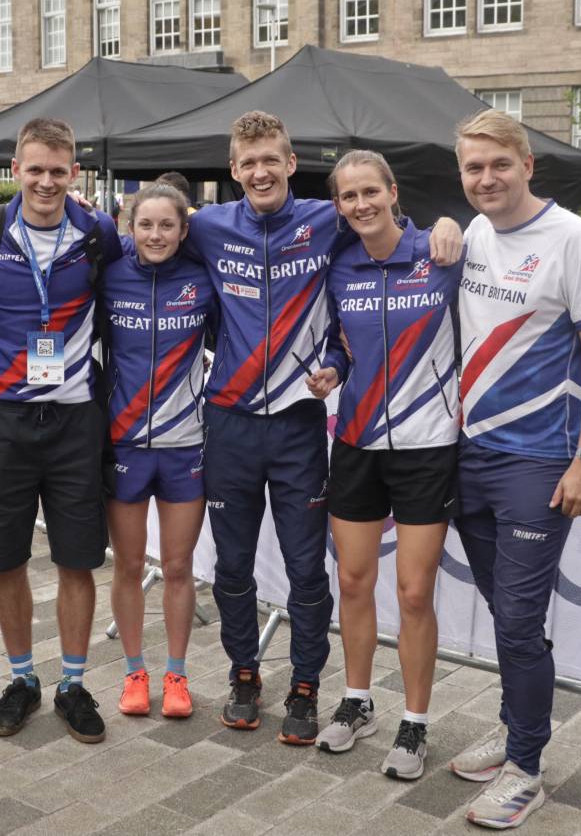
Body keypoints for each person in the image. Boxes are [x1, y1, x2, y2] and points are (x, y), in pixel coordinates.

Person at [186, 111, 462, 745]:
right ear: (234, 170)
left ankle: (307, 685)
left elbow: (384, 236)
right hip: (228, 421)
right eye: (248, 163)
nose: (260, 172)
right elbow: (150, 242)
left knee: (307, 568)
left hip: (297, 426)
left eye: (271, 160)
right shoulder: (207, 226)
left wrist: (446, 222)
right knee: (232, 566)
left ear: (291, 163)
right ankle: (244, 675)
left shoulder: (327, 221)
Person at [446, 110, 581, 829]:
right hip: (468, 455)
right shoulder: (474, 231)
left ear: (527, 165)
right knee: (505, 612)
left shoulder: (574, 239)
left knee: (518, 621)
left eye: (499, 165)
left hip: (539, 460)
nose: (486, 178)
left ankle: (526, 767)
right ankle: (518, 726)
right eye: (473, 167)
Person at [305, 150, 461, 780]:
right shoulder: (341, 264)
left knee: (415, 592)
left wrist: (450, 222)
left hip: (427, 445)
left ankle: (416, 721)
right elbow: (340, 343)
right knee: (352, 582)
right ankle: (358, 701)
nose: (361, 204)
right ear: (338, 206)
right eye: (349, 196)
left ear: (393, 192)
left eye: (371, 191)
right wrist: (331, 370)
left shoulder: (440, 253)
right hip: (357, 441)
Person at [0, 118, 123, 744]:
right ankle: (22, 679)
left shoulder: (97, 232)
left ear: (74, 173)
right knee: (5, 556)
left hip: (75, 419)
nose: (46, 182)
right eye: (35, 169)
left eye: (58, 171)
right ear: (15, 170)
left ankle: (73, 684)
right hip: (2, 417)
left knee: (77, 557)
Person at [103, 183, 214, 720]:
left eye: (166, 225)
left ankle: (176, 675)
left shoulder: (201, 278)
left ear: (183, 230)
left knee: (176, 565)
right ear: (130, 228)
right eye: (145, 225)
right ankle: (133, 673)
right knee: (127, 564)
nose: (155, 235)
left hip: (184, 444)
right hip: (124, 442)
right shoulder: (110, 274)